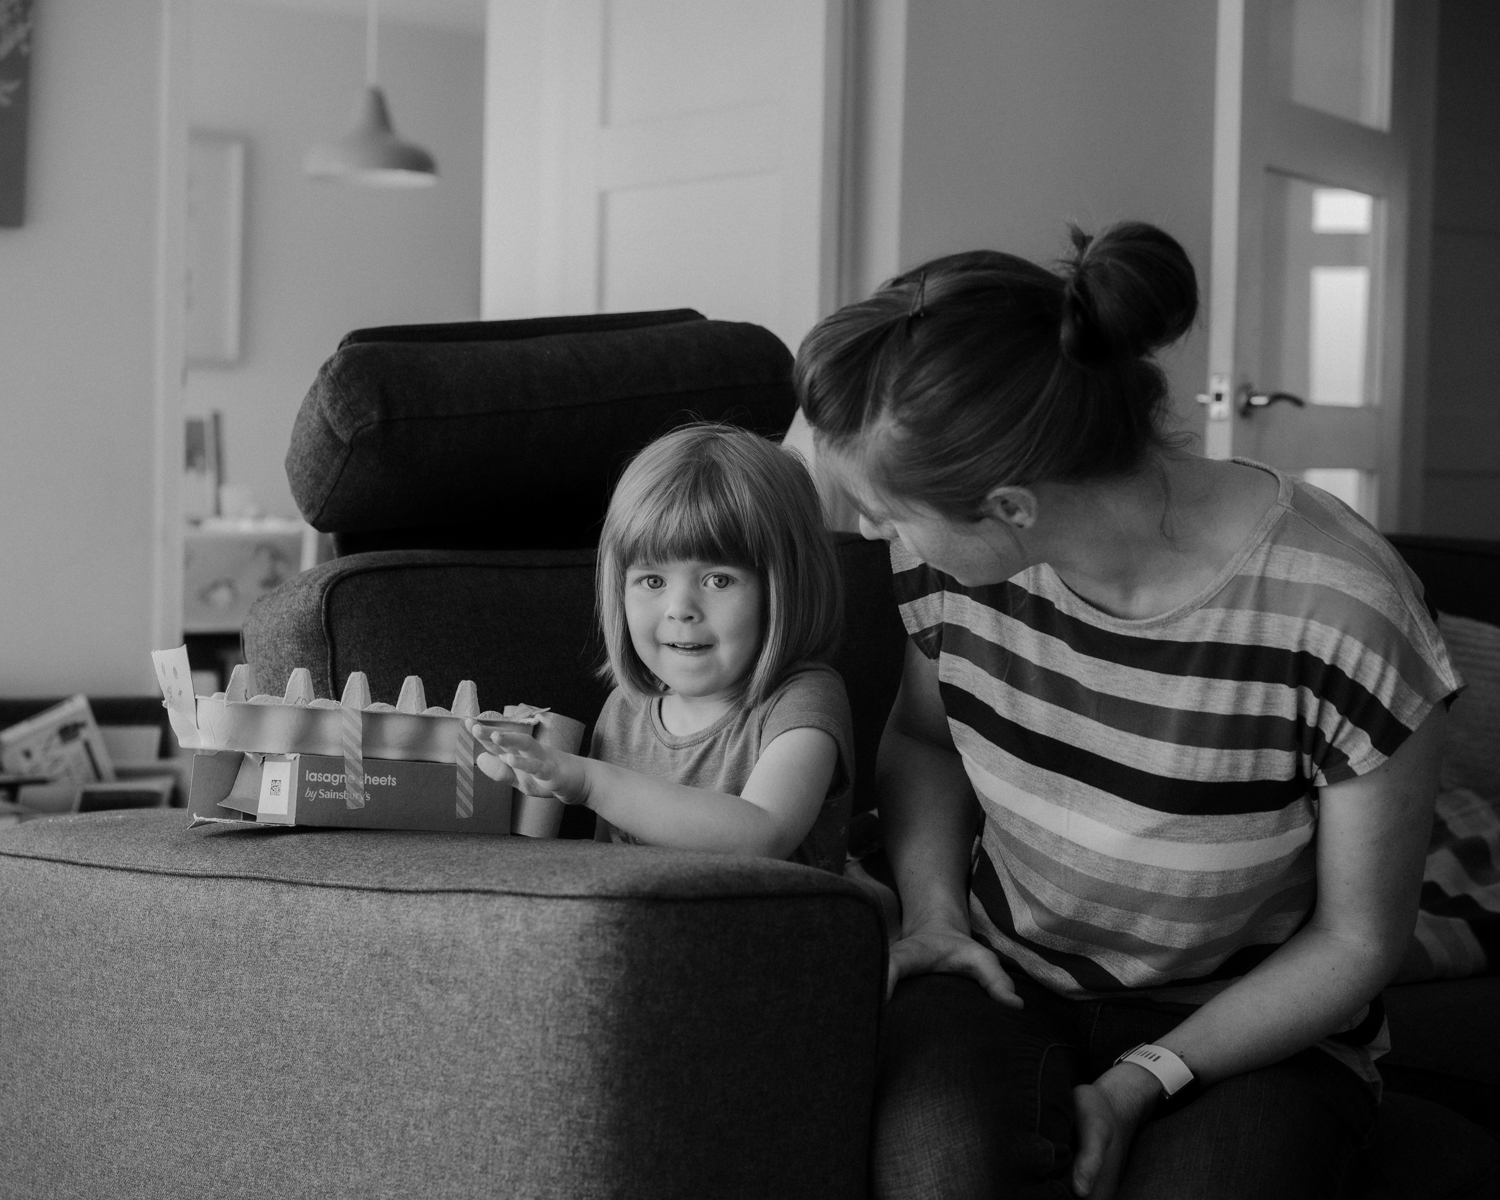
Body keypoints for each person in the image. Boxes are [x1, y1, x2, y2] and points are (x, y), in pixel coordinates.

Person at [793, 222, 1460, 1198]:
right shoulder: (952, 573)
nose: (874, 534)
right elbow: (923, 739)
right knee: (940, 1176)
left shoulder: (1345, 610)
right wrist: (936, 916)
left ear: (1012, 508)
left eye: (889, 514)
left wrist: (1146, 1080)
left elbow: (1359, 942)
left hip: (1255, 1022)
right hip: (1003, 978)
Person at [470, 422, 855, 874]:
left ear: (785, 589)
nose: (680, 609)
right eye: (652, 580)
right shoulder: (626, 709)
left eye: (718, 580)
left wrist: (590, 782)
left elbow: (763, 835)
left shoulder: (802, 699)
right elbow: (606, 870)